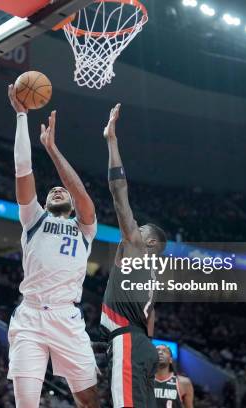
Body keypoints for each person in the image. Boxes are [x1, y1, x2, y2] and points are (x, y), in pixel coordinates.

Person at [6, 84, 99, 408]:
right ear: (44, 203)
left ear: (71, 205)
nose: (58, 190)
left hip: (66, 317)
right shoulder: (34, 219)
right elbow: (23, 170)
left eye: (63, 191)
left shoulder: (84, 225)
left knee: (89, 401)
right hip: (30, 315)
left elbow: (82, 193)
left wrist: (52, 148)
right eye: (52, 191)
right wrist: (21, 117)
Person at [101, 103, 167, 407]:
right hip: (142, 344)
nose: (134, 227)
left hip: (128, 342)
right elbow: (151, 317)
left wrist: (112, 140)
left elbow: (119, 193)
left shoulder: (138, 250)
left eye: (141, 229)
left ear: (150, 242)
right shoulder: (153, 273)